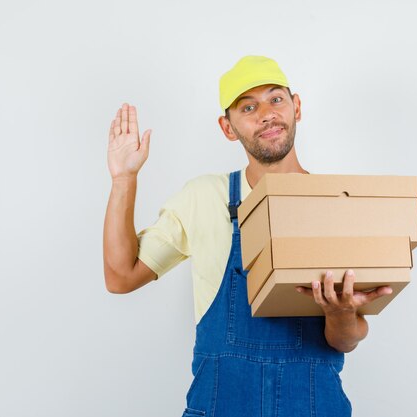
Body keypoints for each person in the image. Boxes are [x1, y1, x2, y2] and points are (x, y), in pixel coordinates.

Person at [103, 55, 393, 417]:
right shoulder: (202, 198)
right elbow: (120, 277)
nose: (267, 114)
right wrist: (123, 180)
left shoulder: (335, 204)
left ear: (296, 107)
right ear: (228, 127)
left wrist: (341, 315)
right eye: (248, 107)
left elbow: (345, 339)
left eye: (276, 99)